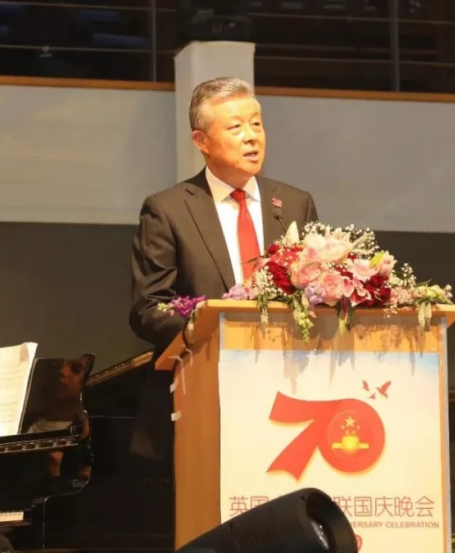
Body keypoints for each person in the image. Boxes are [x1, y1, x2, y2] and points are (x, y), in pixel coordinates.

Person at [129, 77, 319, 461]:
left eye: (257, 124)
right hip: (202, 395)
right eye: (235, 127)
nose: (252, 137)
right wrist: (211, 329)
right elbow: (149, 307)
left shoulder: (294, 204)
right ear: (201, 141)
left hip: (290, 394)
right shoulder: (169, 209)